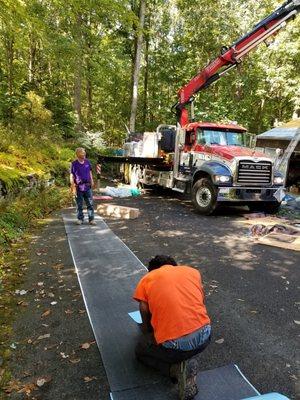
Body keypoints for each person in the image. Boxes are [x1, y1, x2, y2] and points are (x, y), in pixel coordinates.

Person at [133, 255, 211, 400]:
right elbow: (201, 299)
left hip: (174, 346)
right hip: (205, 335)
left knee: (141, 350)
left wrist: (148, 331)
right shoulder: (192, 272)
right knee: (185, 345)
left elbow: (143, 309)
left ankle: (174, 370)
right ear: (174, 265)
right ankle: (186, 359)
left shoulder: (147, 279)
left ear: (151, 270)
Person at [70, 147, 96, 225]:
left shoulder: (87, 162)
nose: (84, 153)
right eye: (82, 152)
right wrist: (72, 187)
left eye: (84, 152)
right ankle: (80, 219)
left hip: (87, 186)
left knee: (90, 203)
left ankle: (91, 219)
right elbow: (71, 175)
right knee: (79, 204)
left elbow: (90, 172)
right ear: (77, 154)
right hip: (78, 187)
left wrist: (92, 180)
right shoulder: (74, 164)